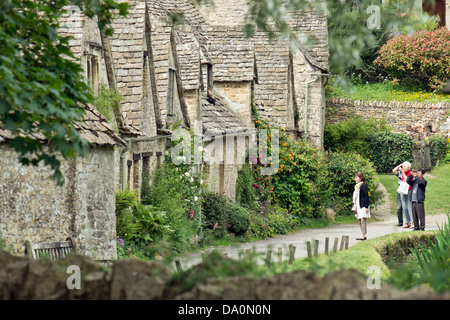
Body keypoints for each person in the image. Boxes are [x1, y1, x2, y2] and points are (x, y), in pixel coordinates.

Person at [352, 171, 370, 240]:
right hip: (358, 205)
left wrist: (366, 207)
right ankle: (363, 234)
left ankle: (363, 234)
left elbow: (366, 196)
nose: (355, 179)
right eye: (355, 178)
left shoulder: (363, 185)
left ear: (360, 178)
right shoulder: (357, 186)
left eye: (356, 177)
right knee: (360, 220)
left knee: (363, 220)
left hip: (363, 205)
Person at [399, 161, 414, 229]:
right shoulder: (403, 172)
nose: (403, 168)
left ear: (408, 167)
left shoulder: (410, 173)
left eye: (404, 166)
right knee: (404, 207)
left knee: (409, 206)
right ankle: (407, 222)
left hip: (409, 190)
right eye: (403, 166)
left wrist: (402, 172)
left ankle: (412, 222)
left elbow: (406, 180)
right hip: (402, 190)